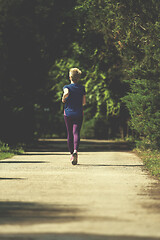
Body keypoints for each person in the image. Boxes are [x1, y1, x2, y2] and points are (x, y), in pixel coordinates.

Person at [62, 68, 86, 165]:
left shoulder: (66, 87)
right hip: (78, 113)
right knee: (76, 132)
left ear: (70, 77)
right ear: (78, 78)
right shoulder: (81, 88)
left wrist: (64, 98)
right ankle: (76, 150)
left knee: (69, 134)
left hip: (68, 113)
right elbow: (84, 102)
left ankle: (72, 154)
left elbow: (66, 92)